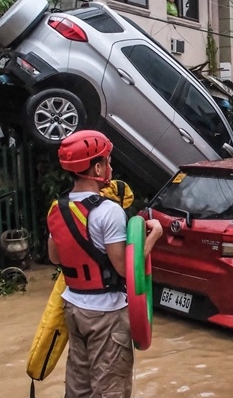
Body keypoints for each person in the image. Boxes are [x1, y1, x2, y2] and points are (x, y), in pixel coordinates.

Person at [47, 130, 163, 397]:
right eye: (107, 162)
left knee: (79, 388)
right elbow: (126, 268)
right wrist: (153, 237)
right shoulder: (109, 211)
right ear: (97, 167)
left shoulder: (57, 208)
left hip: (73, 308)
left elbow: (55, 258)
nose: (110, 167)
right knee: (111, 389)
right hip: (106, 314)